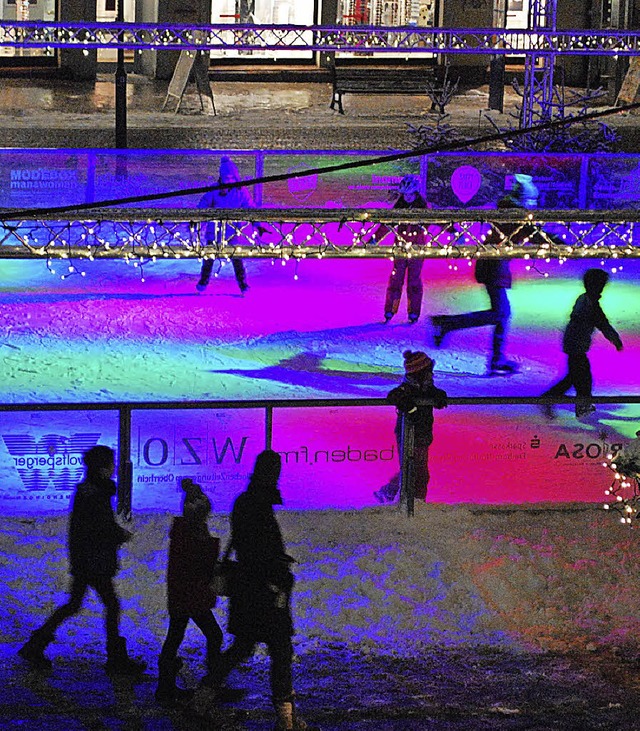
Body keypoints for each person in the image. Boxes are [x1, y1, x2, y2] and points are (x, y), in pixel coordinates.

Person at [208, 450, 316, 731]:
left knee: (243, 646)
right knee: (280, 650)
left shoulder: (247, 501)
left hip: (249, 590)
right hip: (265, 591)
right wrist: (277, 575)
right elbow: (260, 550)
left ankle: (202, 697)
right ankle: (286, 719)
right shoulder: (260, 504)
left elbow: (248, 546)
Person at [18, 445, 146, 676]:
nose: (113, 467)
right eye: (110, 463)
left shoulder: (90, 491)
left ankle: (35, 645)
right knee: (111, 604)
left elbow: (92, 526)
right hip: (93, 561)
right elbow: (99, 527)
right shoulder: (96, 493)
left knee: (75, 604)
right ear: (102, 467)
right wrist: (120, 535)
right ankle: (115, 659)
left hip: (85, 560)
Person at [430, 173, 540, 376]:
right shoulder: (514, 215)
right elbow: (534, 235)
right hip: (493, 266)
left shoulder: (510, 212)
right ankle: (446, 323)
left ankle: (496, 358)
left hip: (494, 265)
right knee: (501, 314)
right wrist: (559, 243)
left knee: (502, 314)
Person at [155, 478, 223, 707]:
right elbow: (199, 563)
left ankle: (165, 688)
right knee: (212, 635)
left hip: (184, 595)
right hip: (190, 596)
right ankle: (210, 685)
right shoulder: (191, 534)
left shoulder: (184, 530)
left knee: (175, 637)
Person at [540, 267, 623, 420]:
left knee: (576, 375)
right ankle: (575, 403)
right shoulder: (590, 304)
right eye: (601, 285)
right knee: (581, 376)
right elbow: (603, 324)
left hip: (575, 344)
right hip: (576, 345)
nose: (602, 289)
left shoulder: (585, 300)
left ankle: (568, 401)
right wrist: (615, 339)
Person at [374, 350, 447, 505]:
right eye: (429, 371)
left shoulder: (427, 387)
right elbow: (393, 395)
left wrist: (439, 395)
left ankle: (389, 492)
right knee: (418, 473)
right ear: (421, 372)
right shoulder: (407, 388)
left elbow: (435, 393)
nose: (432, 374)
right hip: (408, 434)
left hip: (423, 434)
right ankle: (416, 504)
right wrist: (411, 408)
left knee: (411, 468)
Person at [196, 156, 262, 295]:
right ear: (221, 178)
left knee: (236, 258)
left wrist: (257, 223)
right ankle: (203, 282)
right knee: (209, 257)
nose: (229, 180)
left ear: (236, 177)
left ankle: (243, 284)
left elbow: (250, 207)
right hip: (214, 231)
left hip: (232, 231)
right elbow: (204, 204)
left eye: (232, 177)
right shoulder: (214, 190)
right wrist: (198, 219)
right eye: (226, 178)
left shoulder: (241, 192)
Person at [377, 175, 429, 324]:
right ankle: (390, 310)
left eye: (410, 195)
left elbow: (440, 220)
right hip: (400, 247)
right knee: (395, 279)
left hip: (417, 248)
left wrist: (453, 232)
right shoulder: (399, 206)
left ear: (415, 193)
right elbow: (388, 224)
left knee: (414, 281)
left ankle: (413, 312)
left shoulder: (423, 207)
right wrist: (375, 238)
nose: (407, 198)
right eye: (405, 195)